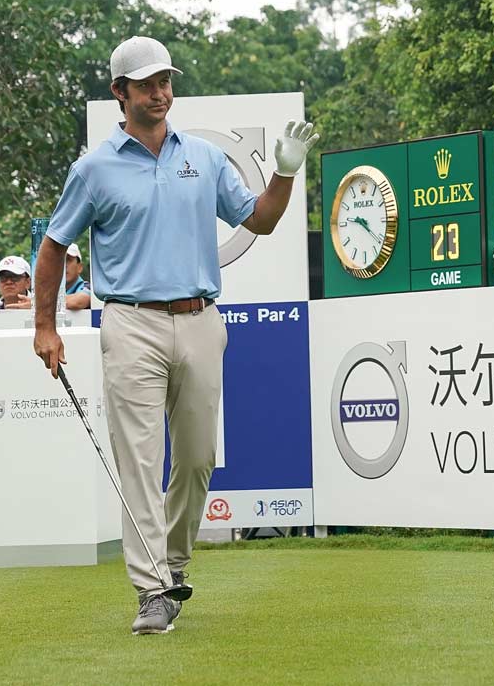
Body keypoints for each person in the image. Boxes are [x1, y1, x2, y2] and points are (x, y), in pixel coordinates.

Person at [30, 35, 318, 635]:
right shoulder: (94, 169)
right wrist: (45, 325)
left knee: (196, 457)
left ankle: (176, 562)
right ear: (120, 93)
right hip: (130, 321)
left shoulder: (206, 157)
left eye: (166, 82)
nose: (160, 94)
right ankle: (153, 587)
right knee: (139, 460)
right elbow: (54, 246)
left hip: (200, 319)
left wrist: (285, 173)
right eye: (147, 85)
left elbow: (259, 220)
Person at [65, 243, 91, 311]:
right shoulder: (52, 290)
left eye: (68, 260)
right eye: (60, 260)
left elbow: (78, 301)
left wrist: (42, 302)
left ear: (79, 267)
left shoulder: (87, 287)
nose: (64, 265)